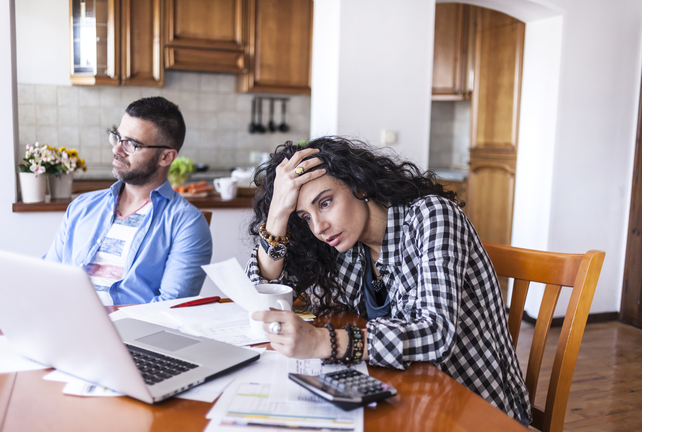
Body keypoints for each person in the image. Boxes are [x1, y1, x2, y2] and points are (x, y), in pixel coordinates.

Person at [246, 137, 532, 425]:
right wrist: (277, 214)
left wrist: (324, 342)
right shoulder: (346, 248)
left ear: (359, 185)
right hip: (408, 398)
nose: (319, 227)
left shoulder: (432, 216)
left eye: (326, 202)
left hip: (475, 409)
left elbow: (436, 332)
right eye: (306, 216)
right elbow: (259, 293)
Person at [44, 97, 212, 305]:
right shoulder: (82, 207)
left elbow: (171, 307)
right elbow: (48, 276)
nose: (117, 149)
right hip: (64, 323)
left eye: (131, 144)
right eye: (117, 137)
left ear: (166, 157)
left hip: (128, 334)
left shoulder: (187, 223)